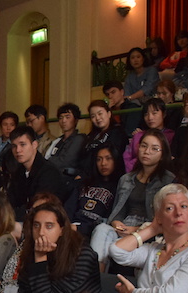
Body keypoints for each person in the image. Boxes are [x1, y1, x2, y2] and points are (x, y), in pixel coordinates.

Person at [90, 128, 173, 269]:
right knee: (102, 229)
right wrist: (117, 223)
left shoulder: (168, 181)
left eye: (154, 149)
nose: (147, 151)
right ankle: (97, 280)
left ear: (162, 154)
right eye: (144, 146)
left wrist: (136, 229)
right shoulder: (126, 179)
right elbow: (118, 211)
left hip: (148, 230)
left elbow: (163, 220)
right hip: (124, 227)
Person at [7, 125, 68, 220]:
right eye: (14, 146)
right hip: (19, 217)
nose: (18, 150)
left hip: (42, 220)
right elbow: (10, 200)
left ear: (34, 145)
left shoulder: (49, 172)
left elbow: (39, 207)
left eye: (22, 144)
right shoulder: (19, 171)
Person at [70, 143, 124, 238]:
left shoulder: (119, 187)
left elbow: (108, 219)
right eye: (99, 159)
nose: (103, 163)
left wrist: (81, 228)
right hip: (71, 226)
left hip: (95, 232)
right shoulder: (84, 182)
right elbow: (69, 208)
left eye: (108, 158)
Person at [123, 97, 175, 173]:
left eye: (154, 113)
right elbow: (127, 157)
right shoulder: (138, 135)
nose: (150, 118)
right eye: (146, 114)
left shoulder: (171, 135)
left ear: (163, 114)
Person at [81, 100, 127, 171]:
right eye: (93, 116)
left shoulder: (118, 132)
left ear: (109, 114)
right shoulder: (91, 135)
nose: (97, 118)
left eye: (100, 114)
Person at [44, 103, 85, 174]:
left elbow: (65, 161)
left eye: (67, 117)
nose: (63, 121)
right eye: (60, 118)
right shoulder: (58, 140)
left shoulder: (79, 139)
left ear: (76, 120)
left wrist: (47, 162)